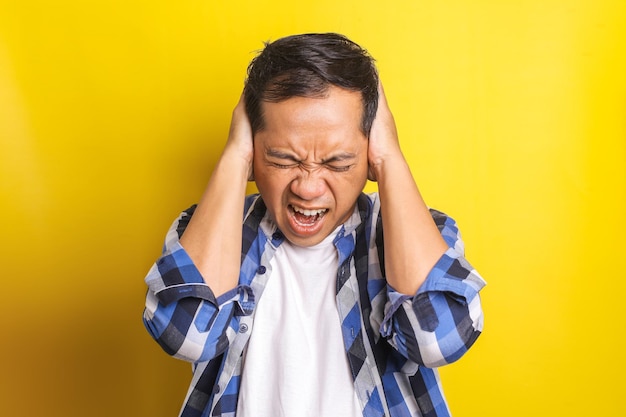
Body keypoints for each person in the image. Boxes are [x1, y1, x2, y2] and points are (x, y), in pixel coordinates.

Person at [143, 33, 486, 417]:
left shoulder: (425, 234)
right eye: (283, 160)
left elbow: (437, 341)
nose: (307, 187)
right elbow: (188, 338)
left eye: (337, 164)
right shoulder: (205, 228)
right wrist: (235, 156)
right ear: (255, 151)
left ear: (370, 154)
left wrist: (391, 158)